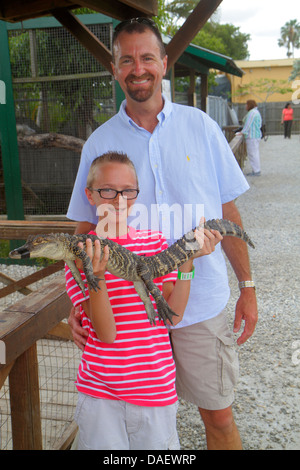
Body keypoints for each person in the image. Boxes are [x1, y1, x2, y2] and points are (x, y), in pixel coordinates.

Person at [67, 18, 258, 450]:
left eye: (147, 57)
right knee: (136, 426)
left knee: (219, 416)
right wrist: (77, 303)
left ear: (164, 63)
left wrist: (247, 285)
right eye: (127, 60)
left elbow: (228, 210)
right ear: (114, 68)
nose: (139, 69)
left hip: (200, 299)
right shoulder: (99, 142)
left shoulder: (201, 126)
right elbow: (81, 231)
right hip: (126, 313)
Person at [66, 151, 221, 450]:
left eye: (128, 191)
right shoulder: (77, 256)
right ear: (89, 194)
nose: (118, 200)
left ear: (137, 193)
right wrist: (96, 276)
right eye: (107, 190)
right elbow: (107, 335)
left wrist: (186, 262)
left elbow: (172, 318)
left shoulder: (155, 243)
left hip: (155, 391)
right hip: (101, 394)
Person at [237, 99, 262, 176]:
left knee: (252, 154)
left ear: (249, 105)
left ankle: (256, 170)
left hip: (252, 136)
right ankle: (256, 170)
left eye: (246, 104)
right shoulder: (256, 112)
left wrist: (242, 132)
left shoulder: (252, 113)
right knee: (254, 153)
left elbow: (248, 124)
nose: (245, 106)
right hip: (255, 135)